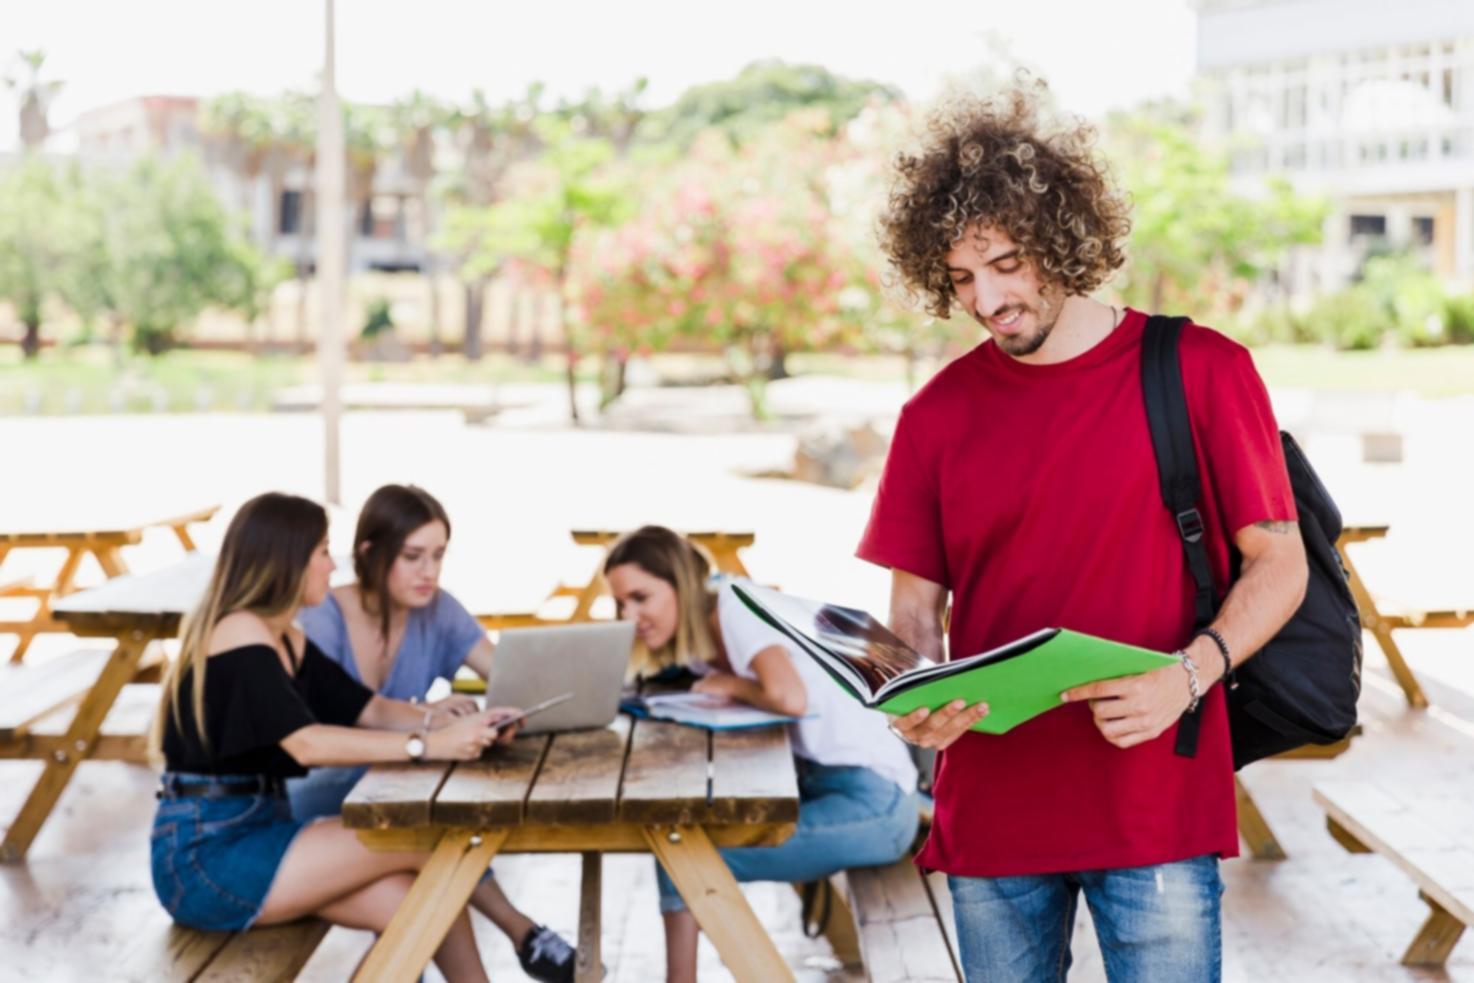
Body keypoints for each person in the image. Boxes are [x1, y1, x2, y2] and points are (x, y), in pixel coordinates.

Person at [858, 81, 1309, 982]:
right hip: (992, 813)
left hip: (1155, 800)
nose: (986, 299)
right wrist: (909, 698)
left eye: (1006, 263)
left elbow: (1281, 564)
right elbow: (912, 615)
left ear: (1062, 237)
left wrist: (1190, 674)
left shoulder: (1203, 371)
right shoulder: (934, 416)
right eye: (960, 278)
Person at [150, 492, 517, 983]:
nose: (331, 565)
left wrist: (443, 724)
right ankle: (515, 941)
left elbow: (368, 709)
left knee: (415, 901)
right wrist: (427, 746)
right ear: (288, 562)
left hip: (262, 831)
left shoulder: (287, 639)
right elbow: (305, 743)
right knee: (428, 838)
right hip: (206, 857)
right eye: (322, 552)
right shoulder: (239, 631)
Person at [603, 525, 920, 983]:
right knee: (685, 840)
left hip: (876, 804)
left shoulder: (736, 606)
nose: (629, 615)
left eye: (640, 597)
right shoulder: (706, 632)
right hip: (831, 788)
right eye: (620, 603)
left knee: (682, 855)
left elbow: (790, 698)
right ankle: (849, 959)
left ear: (679, 583)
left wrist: (731, 685)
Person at [287, 483, 577, 983]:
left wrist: (496, 715)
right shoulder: (322, 616)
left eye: (439, 555)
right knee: (430, 830)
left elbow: (507, 673)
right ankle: (517, 926)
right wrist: (427, 718)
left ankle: (500, 940)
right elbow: (317, 732)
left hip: (390, 785)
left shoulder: (437, 609)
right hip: (312, 793)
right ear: (369, 553)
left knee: (421, 864)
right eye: (413, 556)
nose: (429, 572)